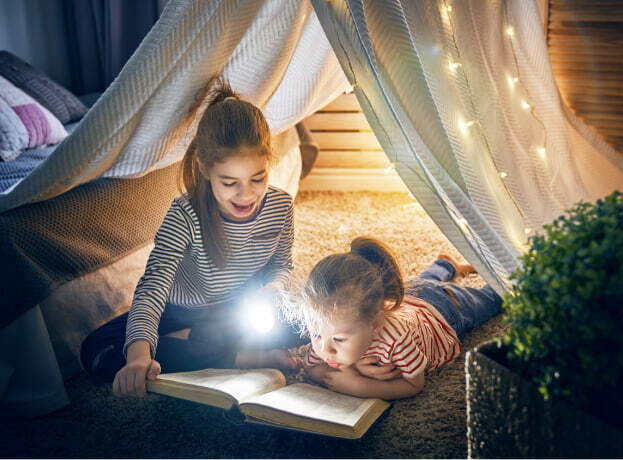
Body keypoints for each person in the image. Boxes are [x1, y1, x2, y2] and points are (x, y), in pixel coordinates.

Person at [81, 78, 306, 397]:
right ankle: (239, 357)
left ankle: (201, 344)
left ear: (268, 163)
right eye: (229, 183)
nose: (246, 195)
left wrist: (274, 288)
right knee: (99, 351)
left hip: (242, 307)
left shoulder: (280, 205)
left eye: (258, 178)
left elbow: (282, 264)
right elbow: (152, 287)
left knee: (314, 321)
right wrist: (139, 357)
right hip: (183, 311)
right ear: (204, 168)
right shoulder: (184, 214)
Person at [289, 236, 503, 400]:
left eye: (340, 340)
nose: (325, 350)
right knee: (420, 283)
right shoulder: (328, 325)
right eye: (315, 334)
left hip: (444, 310)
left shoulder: (397, 339)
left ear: (374, 323)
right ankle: (446, 265)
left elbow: (414, 385)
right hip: (411, 296)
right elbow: (312, 367)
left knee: (492, 299)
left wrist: (360, 386)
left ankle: (506, 275)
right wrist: (351, 368)